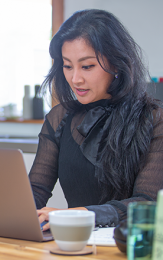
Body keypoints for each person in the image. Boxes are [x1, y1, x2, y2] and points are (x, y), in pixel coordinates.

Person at [28, 9, 163, 231]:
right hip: (74, 243)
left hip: (127, 247)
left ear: (116, 63)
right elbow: (35, 190)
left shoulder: (154, 119)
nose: (75, 79)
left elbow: (145, 203)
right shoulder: (58, 118)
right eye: (67, 65)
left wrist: (75, 215)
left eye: (87, 66)